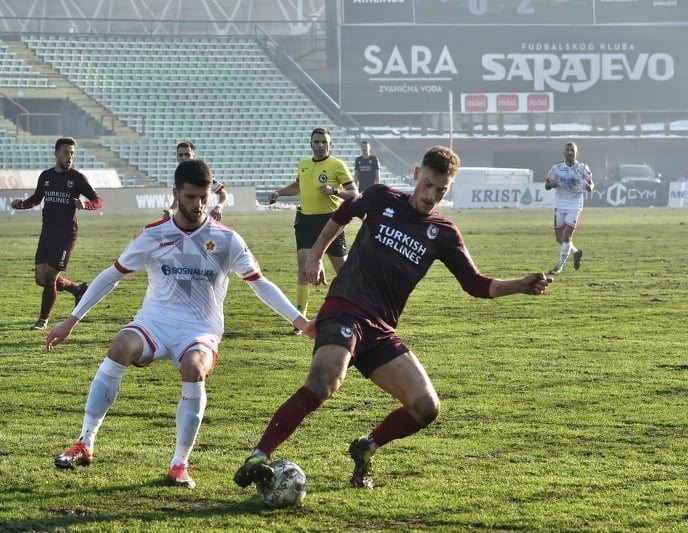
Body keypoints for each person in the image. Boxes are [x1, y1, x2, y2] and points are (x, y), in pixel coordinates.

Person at [233, 146, 553, 491]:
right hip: (345, 307)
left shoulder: (444, 233)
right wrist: (315, 255)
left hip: (380, 329)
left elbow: (475, 284)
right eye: (428, 184)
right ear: (416, 174)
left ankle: (366, 447)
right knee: (325, 382)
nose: (431, 196)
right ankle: (258, 456)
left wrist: (518, 285)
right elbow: (342, 214)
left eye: (441, 190)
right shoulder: (380, 196)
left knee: (426, 407)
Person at [47, 159, 315, 489]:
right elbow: (111, 276)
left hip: (199, 328)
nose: (198, 204)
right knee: (120, 346)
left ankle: (179, 463)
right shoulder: (153, 234)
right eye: (190, 197)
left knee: (194, 367)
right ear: (176, 194)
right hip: (155, 321)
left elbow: (260, 283)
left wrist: (301, 322)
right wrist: (72, 320)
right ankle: (85, 442)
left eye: (204, 197)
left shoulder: (227, 239)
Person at [268, 127, 357, 334]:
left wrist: (334, 190)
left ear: (330, 144)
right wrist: (279, 192)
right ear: (310, 144)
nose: (320, 145)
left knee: (343, 273)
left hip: (331, 222)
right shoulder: (304, 164)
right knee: (303, 268)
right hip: (306, 221)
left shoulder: (337, 165)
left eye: (324, 142)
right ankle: (301, 322)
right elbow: (298, 187)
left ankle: (355, 312)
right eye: (316, 142)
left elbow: (354, 194)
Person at [10, 137, 103, 330]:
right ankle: (77, 289)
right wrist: (22, 205)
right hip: (47, 232)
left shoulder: (77, 178)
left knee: (51, 276)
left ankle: (43, 320)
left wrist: (85, 205)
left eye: (72, 153)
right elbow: (37, 198)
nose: (69, 157)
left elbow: (97, 199)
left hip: (66, 234)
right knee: (41, 279)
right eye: (66, 153)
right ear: (56, 154)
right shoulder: (45, 176)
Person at [544, 141, 594, 275]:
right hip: (560, 205)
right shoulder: (556, 168)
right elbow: (547, 185)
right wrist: (551, 184)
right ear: (564, 152)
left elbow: (591, 183)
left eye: (572, 150)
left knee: (567, 236)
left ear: (576, 153)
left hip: (575, 205)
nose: (570, 152)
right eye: (568, 150)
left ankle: (558, 267)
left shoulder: (583, 168)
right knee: (559, 239)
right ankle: (576, 253)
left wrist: (590, 187)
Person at [162, 140, 227, 221]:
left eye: (187, 154)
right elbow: (176, 202)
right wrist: (170, 211)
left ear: (194, 156)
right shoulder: (178, 177)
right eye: (180, 155)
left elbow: (223, 193)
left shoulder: (203, 174)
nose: (183, 158)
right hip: (183, 224)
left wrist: (219, 207)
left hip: (200, 222)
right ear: (177, 158)